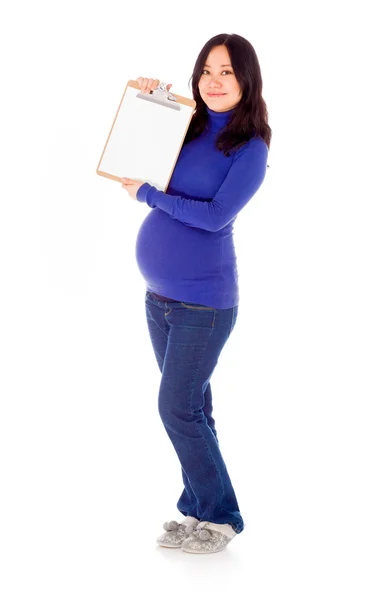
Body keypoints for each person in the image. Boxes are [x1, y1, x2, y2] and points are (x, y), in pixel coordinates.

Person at [121, 33, 271, 554]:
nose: (214, 81)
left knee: (176, 409)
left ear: (246, 79)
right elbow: (133, 144)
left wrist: (150, 197)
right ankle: (197, 510)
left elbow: (214, 217)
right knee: (194, 409)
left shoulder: (250, 148)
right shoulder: (184, 125)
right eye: (207, 69)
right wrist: (145, 97)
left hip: (204, 305)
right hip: (157, 297)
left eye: (227, 71)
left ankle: (223, 516)